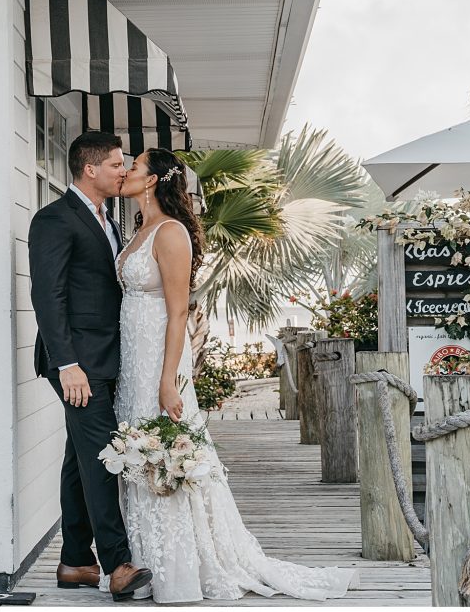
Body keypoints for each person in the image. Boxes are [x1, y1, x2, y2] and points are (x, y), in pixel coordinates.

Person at [111, 147, 360, 603]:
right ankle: (150, 560)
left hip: (159, 356)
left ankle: (183, 569)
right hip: (132, 355)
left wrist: (168, 379)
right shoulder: (137, 230)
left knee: (165, 444)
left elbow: (179, 309)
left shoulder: (170, 233)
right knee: (138, 450)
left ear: (152, 180)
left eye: (134, 166)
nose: (125, 172)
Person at [28, 131, 153, 602]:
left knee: (80, 460)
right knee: (103, 459)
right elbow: (48, 295)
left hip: (108, 357)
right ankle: (117, 564)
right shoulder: (53, 220)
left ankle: (76, 561)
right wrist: (68, 364)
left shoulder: (110, 219)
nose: (124, 171)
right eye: (118, 164)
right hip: (78, 365)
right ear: (90, 169)